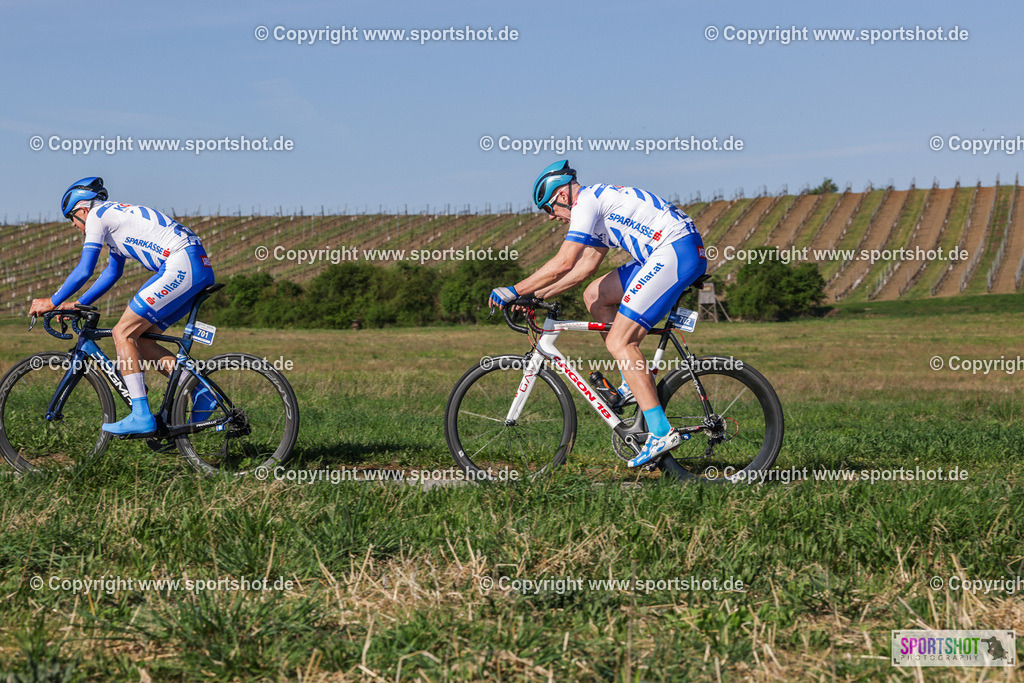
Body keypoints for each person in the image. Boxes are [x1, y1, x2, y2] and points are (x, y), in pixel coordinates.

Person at [488, 160, 707, 468]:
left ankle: (660, 432)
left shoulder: (587, 202)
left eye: (550, 208)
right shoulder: (598, 207)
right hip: (665, 252)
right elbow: (583, 270)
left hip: (674, 252)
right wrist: (534, 295)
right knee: (594, 295)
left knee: (620, 342)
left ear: (563, 195)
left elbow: (564, 261)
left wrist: (512, 289)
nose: (552, 217)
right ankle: (632, 384)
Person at [29, 177, 217, 435]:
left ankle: (141, 415)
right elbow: (111, 272)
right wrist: (78, 304)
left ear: (83, 209)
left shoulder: (97, 216)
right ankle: (200, 391)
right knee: (141, 342)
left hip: (180, 263)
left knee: (122, 333)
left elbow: (85, 269)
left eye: (72, 218)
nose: (75, 226)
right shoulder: (115, 219)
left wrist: (51, 301)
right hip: (196, 266)